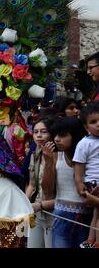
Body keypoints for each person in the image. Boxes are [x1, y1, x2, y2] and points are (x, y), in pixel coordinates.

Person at [41, 117, 90, 248]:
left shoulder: (89, 156)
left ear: (75, 135)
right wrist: (48, 163)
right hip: (62, 217)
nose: (56, 139)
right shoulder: (57, 156)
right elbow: (47, 191)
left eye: (62, 135)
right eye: (55, 135)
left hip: (86, 218)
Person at [25, 118, 55, 248]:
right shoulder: (34, 154)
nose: (39, 135)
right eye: (36, 132)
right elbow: (31, 184)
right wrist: (24, 204)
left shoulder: (59, 156)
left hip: (53, 213)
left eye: (43, 132)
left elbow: (51, 191)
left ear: (51, 134)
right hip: (35, 211)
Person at [73, 101, 99, 248]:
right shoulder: (85, 143)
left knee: (96, 214)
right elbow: (79, 165)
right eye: (93, 122)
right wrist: (79, 184)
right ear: (86, 127)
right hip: (93, 183)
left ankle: (91, 240)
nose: (98, 124)